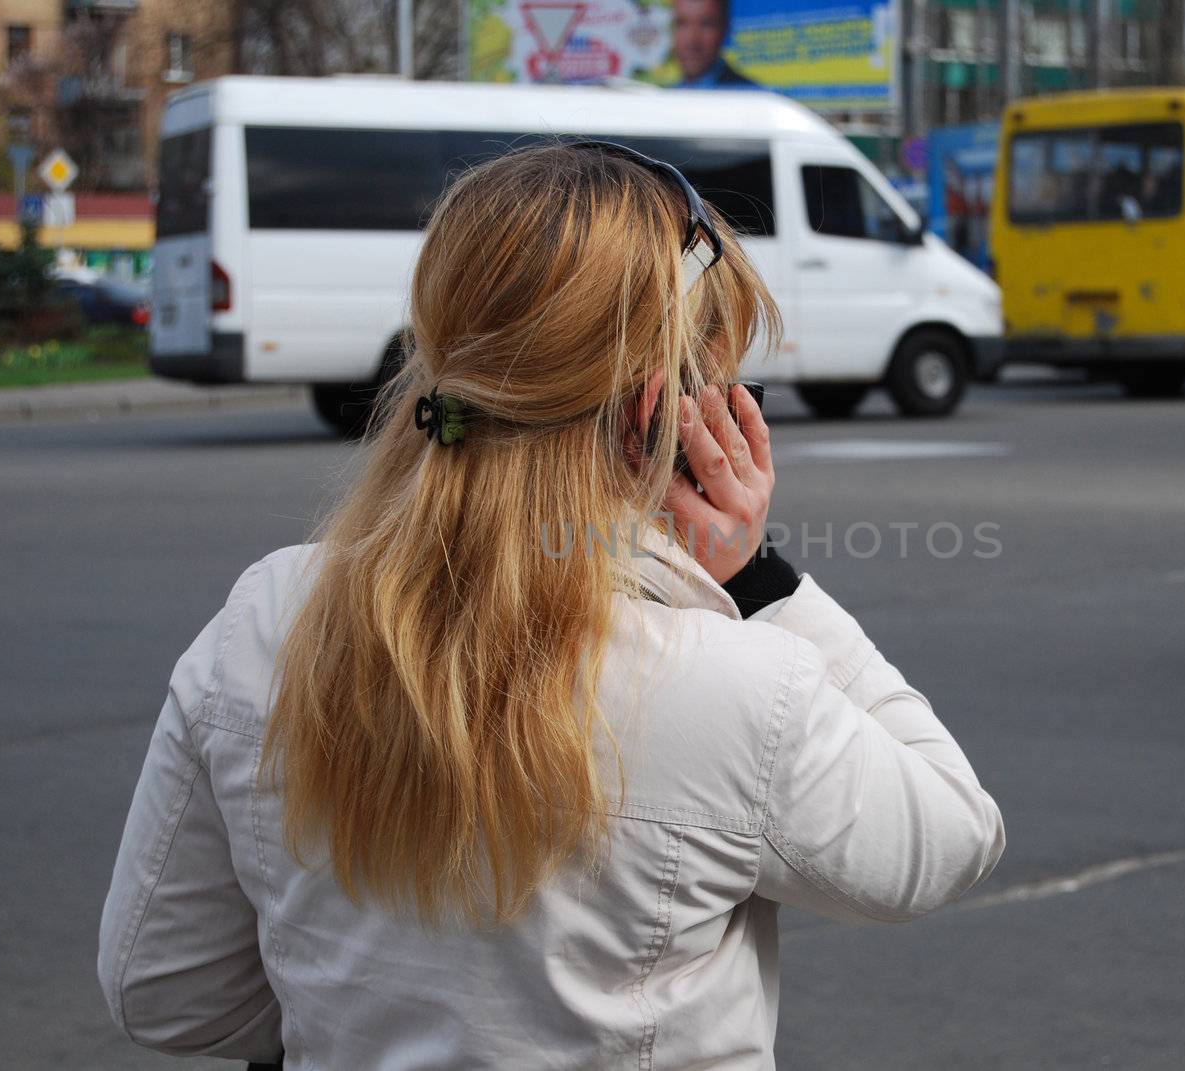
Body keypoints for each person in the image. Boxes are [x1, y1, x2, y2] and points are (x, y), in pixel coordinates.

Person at [97, 142, 1005, 1068]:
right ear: (660, 409)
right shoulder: (733, 685)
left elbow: (163, 991)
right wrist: (753, 577)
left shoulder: (267, 618)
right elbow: (949, 834)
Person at [672, 0, 758, 87]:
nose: (692, 41)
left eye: (706, 24)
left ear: (725, 28)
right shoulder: (664, 94)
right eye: (682, 24)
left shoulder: (750, 96)